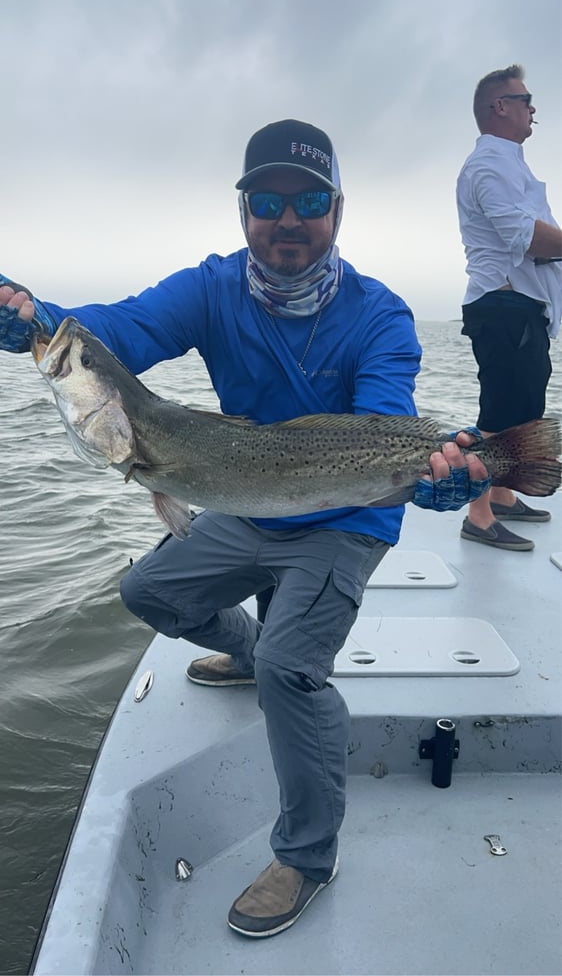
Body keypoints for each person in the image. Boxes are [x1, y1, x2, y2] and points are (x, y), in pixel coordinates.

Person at [0, 119, 490, 938]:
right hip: (244, 500)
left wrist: (429, 475)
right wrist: (35, 316)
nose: (287, 220)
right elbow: (117, 331)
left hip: (346, 515)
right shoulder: (212, 287)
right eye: (268, 201)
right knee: (148, 590)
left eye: (308, 202)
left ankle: (307, 854)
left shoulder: (381, 315)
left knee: (292, 670)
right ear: (242, 211)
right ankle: (249, 645)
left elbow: (384, 420)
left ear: (337, 211)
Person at [456, 64, 562, 551]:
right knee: (499, 411)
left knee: (523, 408)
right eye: (526, 99)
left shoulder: (507, 162)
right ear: (500, 107)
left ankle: (500, 494)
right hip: (502, 305)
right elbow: (524, 237)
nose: (533, 108)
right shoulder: (490, 164)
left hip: (519, 304)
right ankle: (477, 514)